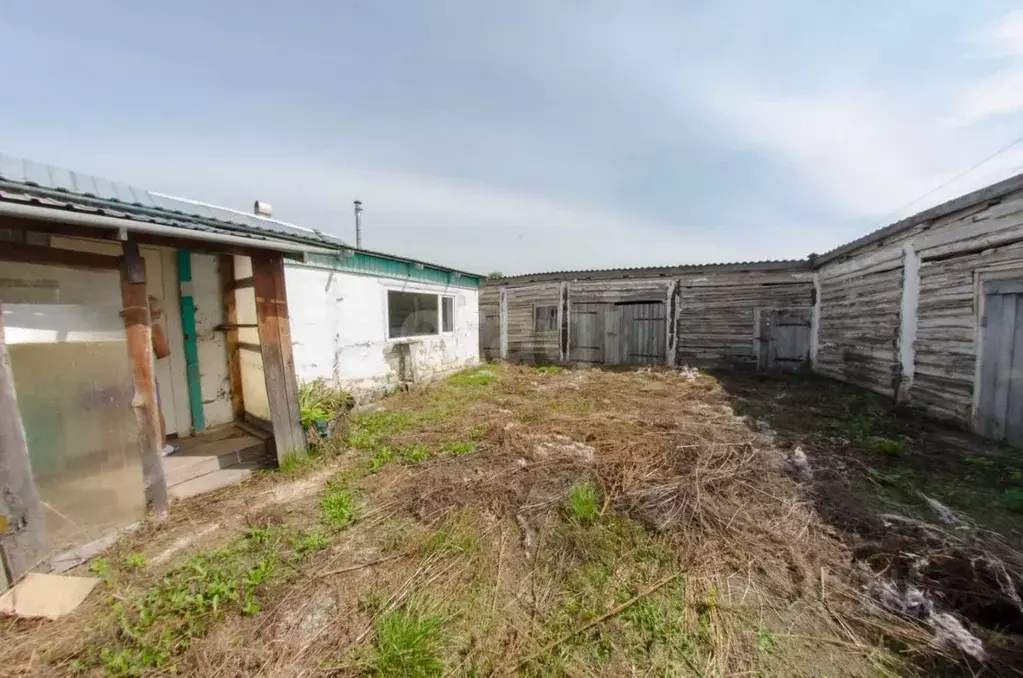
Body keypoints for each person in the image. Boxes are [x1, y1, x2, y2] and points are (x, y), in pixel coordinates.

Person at [148, 296, 177, 457]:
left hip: (121, 375)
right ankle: (162, 447)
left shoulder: (124, 326)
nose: (158, 316)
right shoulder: (152, 328)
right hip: (144, 376)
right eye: (158, 312)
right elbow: (163, 352)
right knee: (154, 410)